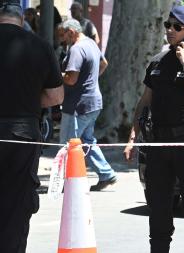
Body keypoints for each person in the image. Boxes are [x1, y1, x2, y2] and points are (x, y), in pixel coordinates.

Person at [123, 5, 184, 253]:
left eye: (177, 27)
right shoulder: (158, 61)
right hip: (158, 145)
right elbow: (145, 101)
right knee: (158, 210)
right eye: (168, 25)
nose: (170, 31)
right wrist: (134, 134)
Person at [0, 0, 64, 252]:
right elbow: (56, 97)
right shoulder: (40, 46)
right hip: (22, 132)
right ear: (21, 20)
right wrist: (27, 100)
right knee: (17, 203)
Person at [59, 19, 116, 191]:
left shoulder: (76, 49)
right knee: (87, 141)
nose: (63, 40)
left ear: (71, 32)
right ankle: (106, 173)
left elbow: (71, 79)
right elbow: (104, 63)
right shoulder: (91, 43)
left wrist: (56, 75)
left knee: (68, 144)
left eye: (63, 35)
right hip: (93, 102)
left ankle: (66, 182)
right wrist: (91, 80)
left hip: (78, 105)